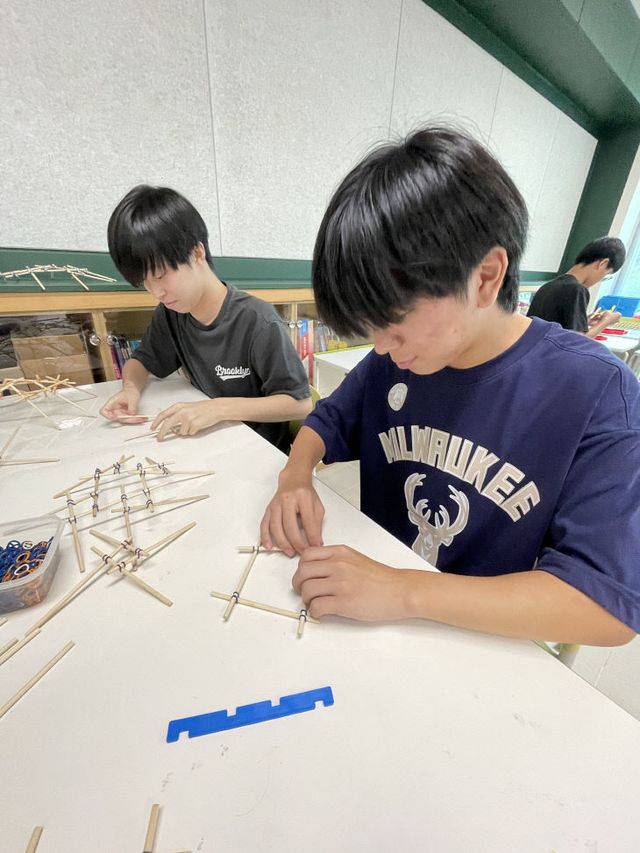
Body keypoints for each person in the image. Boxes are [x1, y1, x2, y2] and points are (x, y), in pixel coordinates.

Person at [260, 126, 640, 646]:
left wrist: (402, 591)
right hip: (372, 628)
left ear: (486, 276)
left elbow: (605, 608)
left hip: (479, 643)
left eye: (394, 322)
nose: (384, 347)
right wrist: (295, 476)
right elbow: (326, 420)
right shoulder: (398, 359)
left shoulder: (597, 390)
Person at [100, 185, 312, 451]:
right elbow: (141, 361)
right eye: (145, 281)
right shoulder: (172, 313)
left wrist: (219, 409)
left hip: (259, 451)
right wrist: (130, 389)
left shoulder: (257, 321)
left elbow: (300, 403)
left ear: (196, 253)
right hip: (211, 444)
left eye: (161, 275)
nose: (156, 291)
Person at [527, 237, 625, 336]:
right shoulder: (576, 289)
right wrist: (605, 322)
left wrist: (582, 321)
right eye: (606, 274)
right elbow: (577, 341)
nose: (600, 280)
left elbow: (555, 328)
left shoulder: (549, 286)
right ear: (603, 263)